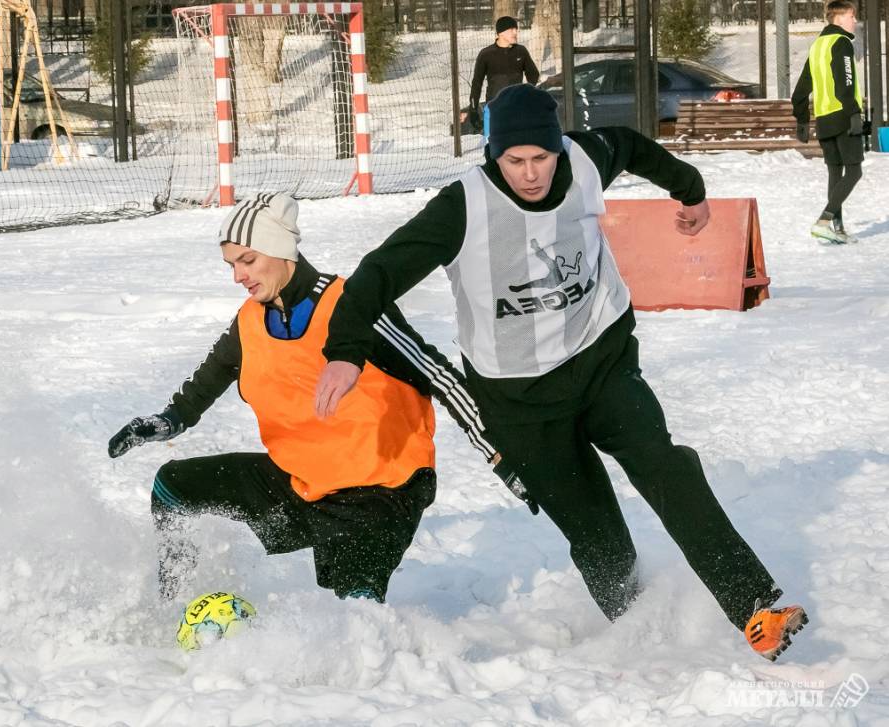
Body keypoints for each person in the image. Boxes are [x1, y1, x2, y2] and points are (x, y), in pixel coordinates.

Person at [315, 84, 808, 661]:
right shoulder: (462, 206)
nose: (530, 173)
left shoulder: (582, 160)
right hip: (519, 401)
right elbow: (378, 272)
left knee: (664, 465)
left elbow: (629, 145)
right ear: (493, 156)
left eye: (541, 158)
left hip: (601, 359)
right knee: (597, 535)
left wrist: (690, 189)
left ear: (557, 148)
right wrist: (345, 349)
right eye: (514, 161)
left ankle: (756, 606)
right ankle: (637, 623)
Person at [107, 192, 532, 604]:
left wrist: (501, 454)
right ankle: (174, 601)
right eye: (232, 264)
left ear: (280, 251)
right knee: (172, 486)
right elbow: (201, 387)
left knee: (355, 619)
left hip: (382, 491)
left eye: (248, 260)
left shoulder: (353, 303)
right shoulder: (249, 322)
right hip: (302, 483)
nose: (238, 275)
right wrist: (164, 422)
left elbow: (439, 376)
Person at [791, 0, 866, 245]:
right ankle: (824, 222)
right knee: (854, 171)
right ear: (839, 18)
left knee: (836, 172)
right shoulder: (841, 42)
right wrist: (855, 113)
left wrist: (802, 120)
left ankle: (836, 229)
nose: (855, 21)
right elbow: (845, 81)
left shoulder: (817, 46)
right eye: (852, 16)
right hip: (843, 117)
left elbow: (801, 89)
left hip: (824, 120)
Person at [469, 16, 539, 138]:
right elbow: (476, 84)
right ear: (500, 33)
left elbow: (533, 76)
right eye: (511, 29)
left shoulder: (521, 51)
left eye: (516, 29)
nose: (515, 32)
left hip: (517, 109)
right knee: (492, 149)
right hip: (493, 109)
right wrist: (473, 110)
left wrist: (527, 95)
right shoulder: (486, 54)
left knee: (517, 147)